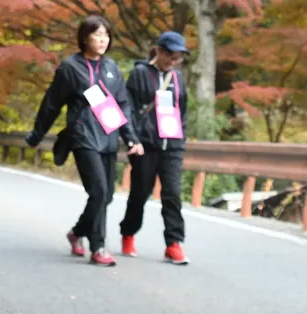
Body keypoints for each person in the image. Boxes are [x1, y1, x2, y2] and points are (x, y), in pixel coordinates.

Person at [26, 15, 144, 267]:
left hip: (109, 137)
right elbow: (52, 104)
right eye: (97, 34)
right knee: (99, 191)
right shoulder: (71, 67)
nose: (103, 40)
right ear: (84, 37)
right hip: (83, 137)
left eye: (106, 35)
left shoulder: (111, 68)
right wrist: (37, 134)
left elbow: (123, 105)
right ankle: (99, 246)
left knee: (107, 195)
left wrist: (131, 138)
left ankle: (77, 232)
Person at [120, 30, 190, 265]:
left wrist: (181, 139)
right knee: (140, 193)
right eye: (170, 55)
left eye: (178, 57)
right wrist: (133, 139)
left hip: (172, 144)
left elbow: (183, 110)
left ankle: (173, 243)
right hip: (146, 145)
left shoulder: (178, 78)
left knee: (172, 194)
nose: (173, 61)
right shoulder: (140, 73)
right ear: (158, 51)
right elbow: (128, 108)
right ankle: (128, 233)